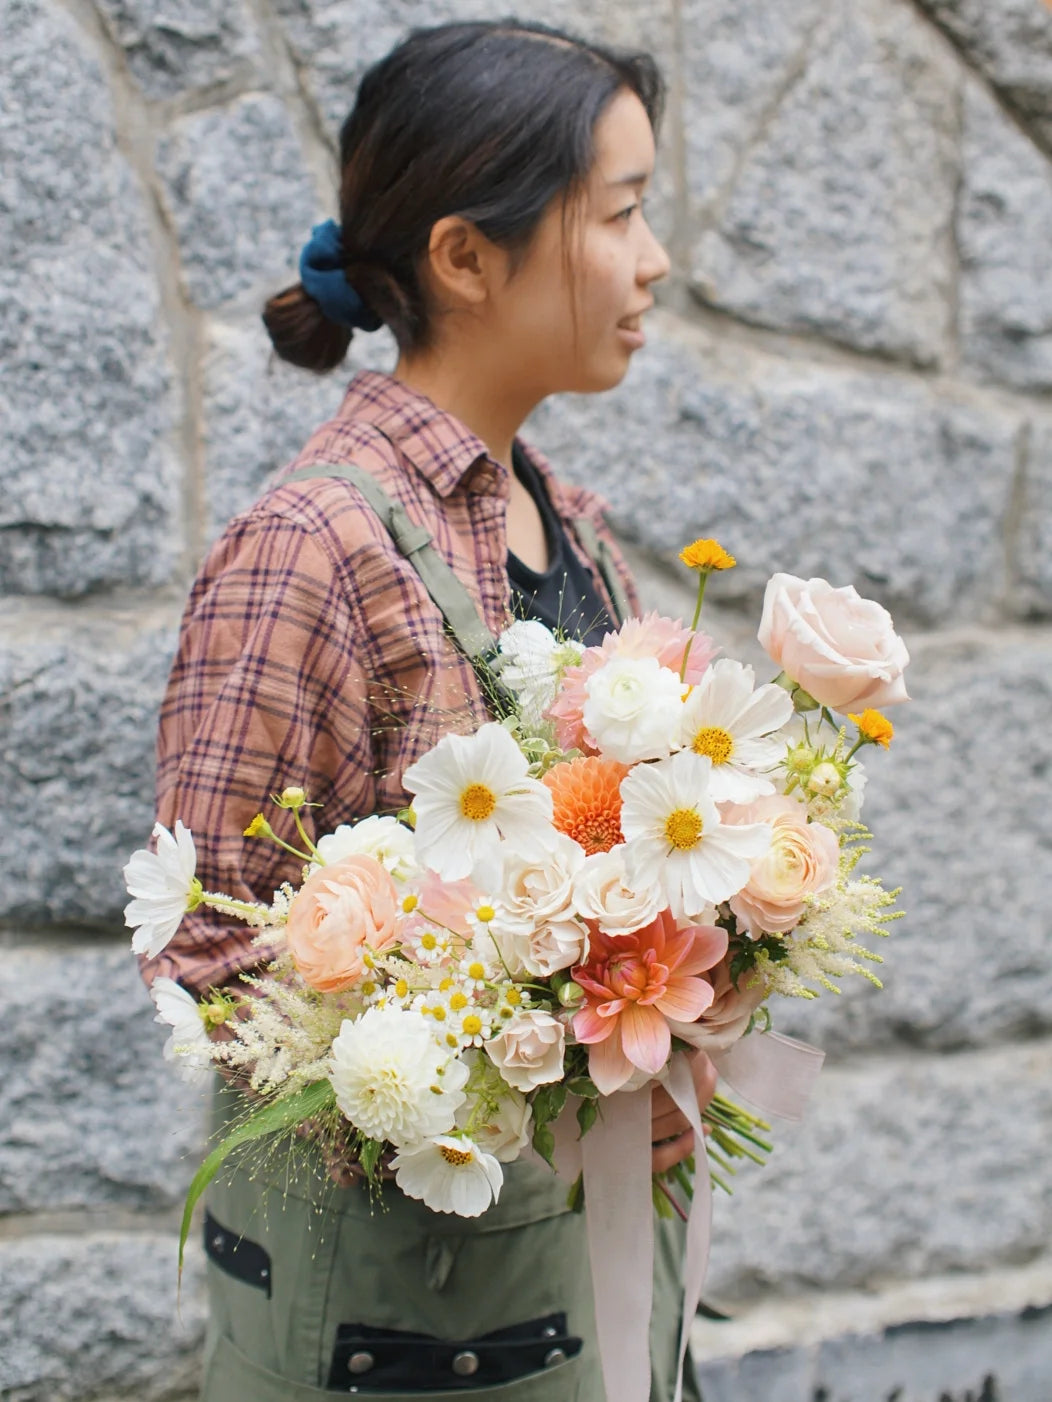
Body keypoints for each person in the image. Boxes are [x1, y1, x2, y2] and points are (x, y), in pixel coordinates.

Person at [142, 20, 717, 1401]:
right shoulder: (314, 548)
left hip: (582, 1296)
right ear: (465, 257)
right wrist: (518, 1085)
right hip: (404, 1335)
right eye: (620, 214)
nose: (653, 260)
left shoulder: (573, 525)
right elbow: (210, 952)